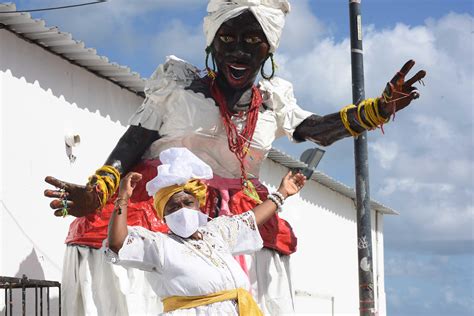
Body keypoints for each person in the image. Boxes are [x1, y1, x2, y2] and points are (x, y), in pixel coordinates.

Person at [44, 0, 426, 314]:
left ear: (269, 48)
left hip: (238, 214)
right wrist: (97, 193)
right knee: (105, 234)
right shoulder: (177, 88)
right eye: (227, 38)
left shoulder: (274, 102)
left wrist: (378, 109)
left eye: (252, 41)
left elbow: (320, 129)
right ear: (212, 44)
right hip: (166, 203)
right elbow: (129, 146)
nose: (239, 52)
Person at [106, 147, 306, 315]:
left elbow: (252, 219)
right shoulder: (160, 246)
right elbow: (118, 243)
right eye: (173, 207)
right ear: (163, 215)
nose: (182, 210)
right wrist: (122, 198)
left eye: (188, 203)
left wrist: (282, 193)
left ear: (198, 205)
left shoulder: (216, 233)